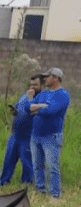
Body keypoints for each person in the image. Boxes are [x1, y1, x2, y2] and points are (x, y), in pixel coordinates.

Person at [29, 67, 70, 199]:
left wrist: (37, 108)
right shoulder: (43, 94)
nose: (45, 79)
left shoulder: (63, 95)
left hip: (51, 136)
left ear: (56, 78)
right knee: (37, 165)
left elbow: (51, 111)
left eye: (48, 77)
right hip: (36, 135)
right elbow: (28, 107)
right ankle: (40, 189)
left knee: (52, 167)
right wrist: (41, 106)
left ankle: (55, 193)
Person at [0, 74, 43, 187]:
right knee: (8, 160)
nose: (32, 87)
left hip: (28, 136)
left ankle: (26, 184)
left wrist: (30, 98)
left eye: (35, 85)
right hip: (15, 135)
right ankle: (3, 182)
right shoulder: (24, 97)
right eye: (31, 84)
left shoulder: (41, 99)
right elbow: (18, 108)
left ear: (42, 85)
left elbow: (33, 110)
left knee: (27, 162)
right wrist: (14, 111)